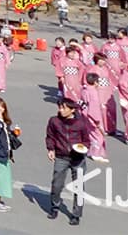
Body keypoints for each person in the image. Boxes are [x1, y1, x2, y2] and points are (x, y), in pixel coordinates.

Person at [46, 96, 92, 226]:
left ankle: (76, 215)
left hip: (78, 158)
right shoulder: (54, 121)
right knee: (56, 184)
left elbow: (86, 141)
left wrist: (84, 148)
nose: (60, 110)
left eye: (63, 108)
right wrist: (50, 149)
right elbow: (50, 136)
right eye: (59, 107)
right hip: (61, 156)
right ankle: (55, 206)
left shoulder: (81, 123)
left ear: (72, 110)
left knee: (79, 187)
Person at [80, 72, 109, 162]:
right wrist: (96, 120)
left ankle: (91, 151)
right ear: (95, 82)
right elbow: (94, 108)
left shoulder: (84, 90)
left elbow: (82, 102)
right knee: (98, 135)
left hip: (85, 114)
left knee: (91, 134)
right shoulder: (93, 93)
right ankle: (95, 153)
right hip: (93, 116)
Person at [92, 54, 119, 138]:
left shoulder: (106, 69)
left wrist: (113, 86)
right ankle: (102, 128)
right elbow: (88, 80)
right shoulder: (92, 69)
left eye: (104, 60)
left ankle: (112, 128)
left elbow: (110, 79)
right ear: (96, 60)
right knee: (102, 109)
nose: (103, 62)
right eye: (101, 60)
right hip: (99, 91)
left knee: (111, 108)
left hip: (107, 90)